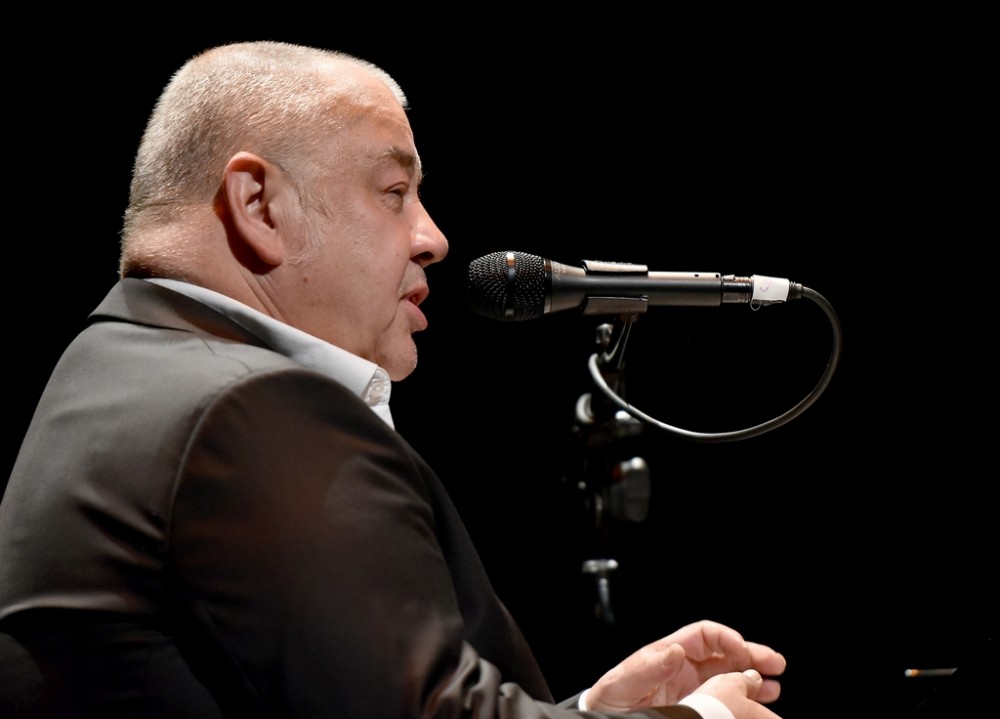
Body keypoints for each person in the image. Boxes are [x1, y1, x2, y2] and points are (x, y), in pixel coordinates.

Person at [0, 41, 786, 718]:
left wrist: (583, 713)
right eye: (393, 192)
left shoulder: (117, 362)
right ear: (259, 205)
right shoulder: (250, 409)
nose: (433, 237)